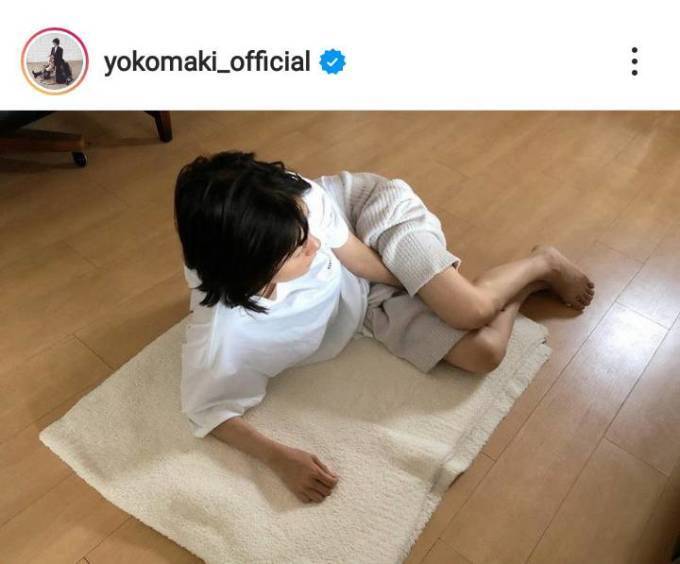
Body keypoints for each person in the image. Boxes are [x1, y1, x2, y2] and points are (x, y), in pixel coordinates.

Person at [173, 150, 595, 504]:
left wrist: (427, 286)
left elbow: (354, 256)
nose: (315, 243)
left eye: (308, 232)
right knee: (484, 353)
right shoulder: (223, 337)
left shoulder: (298, 201)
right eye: (300, 249)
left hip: (368, 223)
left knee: (470, 310)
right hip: (360, 303)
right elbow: (208, 410)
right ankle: (528, 281)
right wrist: (279, 459)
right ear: (258, 271)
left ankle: (543, 263)